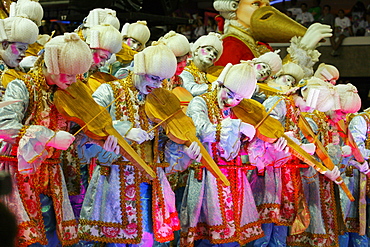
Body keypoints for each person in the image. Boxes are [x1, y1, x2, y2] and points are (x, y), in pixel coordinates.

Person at [78, 44, 200, 246]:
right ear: (139, 70)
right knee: (113, 240)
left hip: (149, 182)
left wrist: (183, 148)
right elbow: (88, 126)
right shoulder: (110, 90)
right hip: (114, 181)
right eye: (153, 78)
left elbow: (163, 145)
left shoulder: (160, 100)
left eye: (162, 80)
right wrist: (122, 131)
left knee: (146, 239)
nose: (157, 85)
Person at [0, 33, 93, 246]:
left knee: (54, 236)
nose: (73, 80)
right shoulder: (22, 86)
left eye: (77, 75)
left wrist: (100, 138)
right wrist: (49, 137)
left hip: (52, 174)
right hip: (19, 173)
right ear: (50, 64)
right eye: (69, 74)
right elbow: (4, 127)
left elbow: (76, 135)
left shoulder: (67, 93)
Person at [181, 61, 263, 246]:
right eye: (229, 94)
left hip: (233, 177)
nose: (231, 101)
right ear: (221, 84)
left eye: (238, 99)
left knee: (232, 234)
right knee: (208, 234)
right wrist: (237, 126)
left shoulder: (235, 111)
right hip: (207, 176)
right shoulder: (200, 102)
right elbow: (202, 130)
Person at [213, 0, 332, 70]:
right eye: (256, 4)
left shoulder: (259, 45)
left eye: (267, 6)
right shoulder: (230, 45)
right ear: (233, 7)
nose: (264, 11)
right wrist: (302, 50)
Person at [0, 16, 39, 101]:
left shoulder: (18, 70)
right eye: (20, 49)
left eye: (25, 50)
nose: (23, 55)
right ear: (5, 45)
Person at [180, 32, 223, 96]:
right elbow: (191, 90)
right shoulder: (185, 70)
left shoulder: (211, 75)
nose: (212, 54)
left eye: (215, 54)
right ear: (197, 51)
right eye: (208, 49)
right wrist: (213, 86)